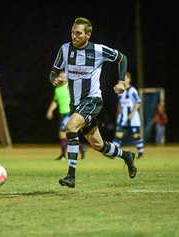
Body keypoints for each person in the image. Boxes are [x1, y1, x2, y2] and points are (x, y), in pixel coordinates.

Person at [49, 17, 137, 188]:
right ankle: (127, 156)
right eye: (72, 32)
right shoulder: (65, 49)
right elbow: (53, 72)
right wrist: (54, 80)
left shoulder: (97, 50)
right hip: (76, 105)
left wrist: (120, 81)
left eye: (78, 33)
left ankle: (70, 176)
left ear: (88, 35)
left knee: (71, 126)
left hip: (93, 100)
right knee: (98, 145)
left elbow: (122, 58)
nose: (74, 36)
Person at [46, 72, 87, 160]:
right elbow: (55, 101)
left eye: (62, 76)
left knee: (63, 134)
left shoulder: (70, 86)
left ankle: (63, 155)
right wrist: (50, 111)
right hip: (62, 113)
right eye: (59, 76)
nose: (60, 78)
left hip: (70, 113)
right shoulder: (57, 89)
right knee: (67, 135)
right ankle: (81, 148)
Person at [113, 72, 144, 158]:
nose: (124, 80)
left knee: (136, 135)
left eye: (126, 78)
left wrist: (132, 113)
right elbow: (119, 104)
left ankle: (141, 152)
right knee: (118, 135)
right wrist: (118, 114)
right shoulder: (120, 91)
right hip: (123, 117)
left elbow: (138, 102)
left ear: (129, 80)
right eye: (123, 78)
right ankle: (113, 153)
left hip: (132, 117)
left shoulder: (132, 90)